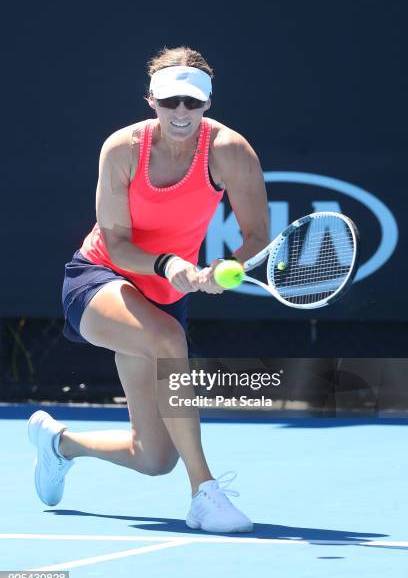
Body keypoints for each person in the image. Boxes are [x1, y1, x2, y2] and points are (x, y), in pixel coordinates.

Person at [27, 46, 269, 534]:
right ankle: (205, 493)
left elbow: (257, 237)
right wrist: (169, 263)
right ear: (151, 101)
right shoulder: (122, 148)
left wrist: (224, 269)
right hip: (97, 279)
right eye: (170, 101)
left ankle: (58, 444)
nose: (181, 112)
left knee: (154, 457)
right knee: (167, 340)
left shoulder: (230, 152)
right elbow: (115, 241)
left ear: (207, 105)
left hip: (160, 299)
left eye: (193, 103)